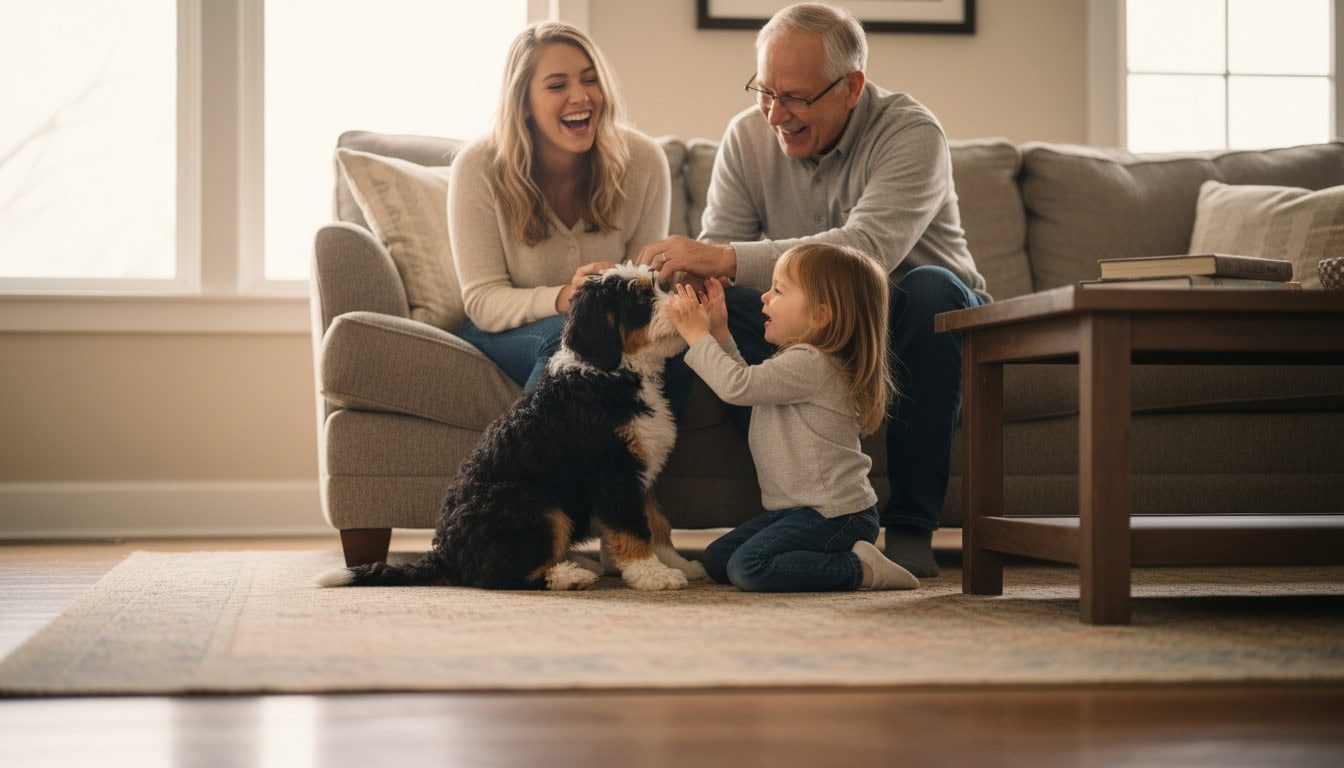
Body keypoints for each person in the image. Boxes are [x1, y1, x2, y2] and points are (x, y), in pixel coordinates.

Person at [639, 3, 988, 577]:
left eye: (796, 97)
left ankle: (910, 527)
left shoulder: (912, 132)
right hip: (820, 327)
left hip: (912, 316)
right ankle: (799, 512)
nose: (776, 114)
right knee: (737, 304)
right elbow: (717, 270)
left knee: (930, 290)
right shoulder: (746, 137)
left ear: (852, 87)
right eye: (765, 91)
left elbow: (865, 251)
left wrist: (721, 257)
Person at [665, 243, 919, 592]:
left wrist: (696, 336)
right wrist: (720, 332)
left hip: (836, 516)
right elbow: (749, 385)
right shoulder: (801, 361)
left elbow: (736, 386)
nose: (764, 298)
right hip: (797, 512)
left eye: (778, 290)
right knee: (717, 559)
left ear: (820, 315)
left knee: (748, 568)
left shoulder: (812, 363)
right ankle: (843, 558)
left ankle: (861, 569)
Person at [450, 22, 670, 389]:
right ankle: (529, 447)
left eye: (590, 80)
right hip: (505, 329)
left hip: (603, 332)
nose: (581, 96)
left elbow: (642, 290)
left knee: (670, 356)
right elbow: (482, 300)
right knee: (567, 345)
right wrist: (566, 298)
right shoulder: (477, 167)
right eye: (557, 86)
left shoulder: (644, 161)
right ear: (523, 103)